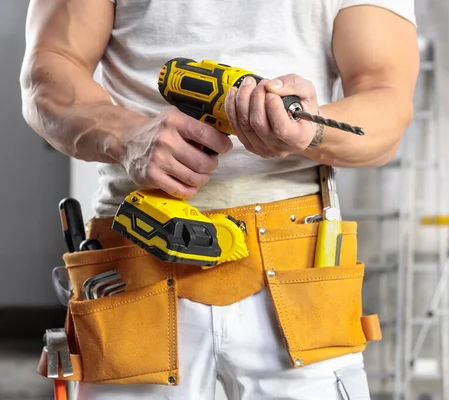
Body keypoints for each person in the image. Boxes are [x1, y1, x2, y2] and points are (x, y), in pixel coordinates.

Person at [20, 0, 419, 399]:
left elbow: (385, 95)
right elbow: (48, 70)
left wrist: (310, 133)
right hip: (137, 260)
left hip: (297, 262)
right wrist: (127, 136)